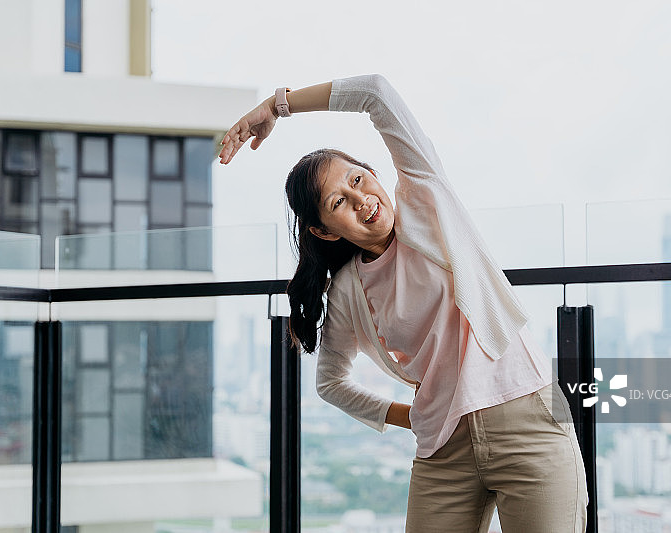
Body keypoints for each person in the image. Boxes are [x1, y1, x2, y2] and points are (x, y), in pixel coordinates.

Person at [219, 74, 588, 533]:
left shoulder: (426, 199)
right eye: (339, 201)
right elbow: (330, 384)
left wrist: (276, 107)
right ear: (325, 231)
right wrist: (408, 416)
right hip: (442, 448)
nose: (361, 199)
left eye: (358, 179)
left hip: (525, 419)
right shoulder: (350, 290)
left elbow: (374, 92)